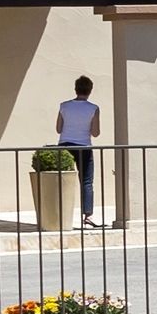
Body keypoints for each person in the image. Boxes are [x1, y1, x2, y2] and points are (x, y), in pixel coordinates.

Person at [57, 74, 104, 221]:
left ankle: (61, 213)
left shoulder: (64, 106)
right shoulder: (94, 108)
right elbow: (95, 133)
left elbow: (59, 129)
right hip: (83, 146)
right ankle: (87, 214)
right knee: (86, 181)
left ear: (75, 89)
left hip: (64, 145)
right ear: (90, 90)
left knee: (63, 179)